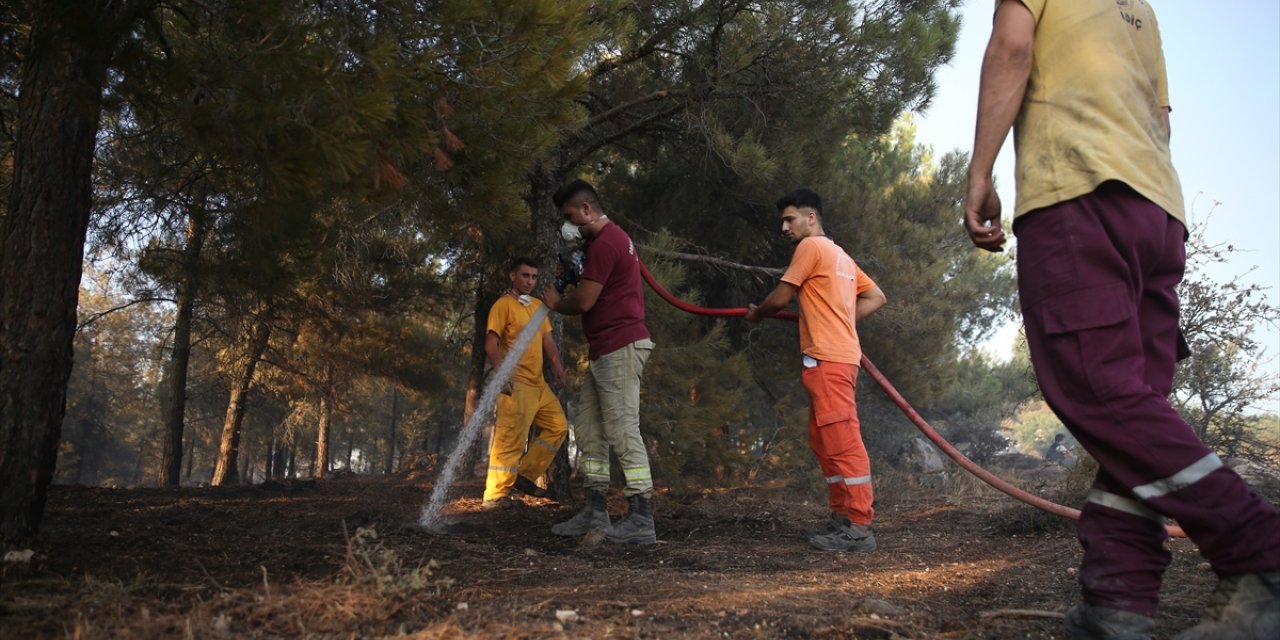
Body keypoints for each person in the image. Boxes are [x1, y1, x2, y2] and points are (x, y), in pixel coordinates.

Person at [964, 2, 1280, 638]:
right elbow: (1161, 121)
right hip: (1158, 213)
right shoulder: (1141, 10)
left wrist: (979, 172)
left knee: (1100, 392)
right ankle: (1119, 604)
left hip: (1080, 193)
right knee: (1132, 419)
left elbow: (1012, 50)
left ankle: (1262, 555)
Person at [745, 187, 886, 552]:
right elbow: (876, 296)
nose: (784, 227)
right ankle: (843, 517)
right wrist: (842, 321)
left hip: (829, 359)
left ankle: (859, 527)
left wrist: (756, 314)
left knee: (842, 440)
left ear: (811, 218)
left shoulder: (810, 247)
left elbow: (780, 297)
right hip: (832, 357)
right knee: (823, 439)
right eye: (782, 221)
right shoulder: (840, 255)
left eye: (789, 219)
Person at [542, 179, 657, 545]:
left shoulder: (607, 242)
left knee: (622, 428)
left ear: (587, 210)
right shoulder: (602, 244)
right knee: (589, 428)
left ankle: (641, 515)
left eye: (570, 216)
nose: (567, 225)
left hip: (621, 346)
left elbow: (586, 300)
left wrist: (555, 303)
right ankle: (595, 509)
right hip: (605, 348)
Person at [481, 257, 570, 509]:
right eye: (525, 276)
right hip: (516, 384)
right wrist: (501, 376)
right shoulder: (503, 305)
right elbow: (491, 344)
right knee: (510, 440)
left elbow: (549, 341)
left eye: (533, 277)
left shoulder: (538, 307)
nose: (530, 281)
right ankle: (495, 495)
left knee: (559, 426)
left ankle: (525, 475)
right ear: (513, 276)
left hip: (539, 384)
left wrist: (558, 368)